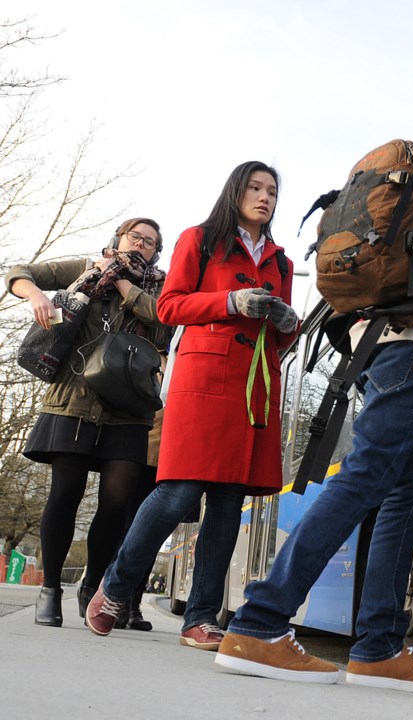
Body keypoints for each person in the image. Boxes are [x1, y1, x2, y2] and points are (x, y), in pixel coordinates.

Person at [213, 97, 413, 693]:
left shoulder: (410, 171)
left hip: (373, 337)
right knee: (368, 473)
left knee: (412, 488)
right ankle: (261, 622)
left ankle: (379, 646)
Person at [85, 161, 299, 651]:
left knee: (227, 502)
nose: (264, 197)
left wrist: (289, 321)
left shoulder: (282, 262)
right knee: (179, 492)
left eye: (272, 191)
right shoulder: (199, 239)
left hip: (254, 384)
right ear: (235, 191)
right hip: (204, 378)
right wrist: (230, 302)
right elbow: (170, 306)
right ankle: (114, 588)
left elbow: (282, 333)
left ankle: (200, 618)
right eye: (255, 187)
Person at [5, 218, 169, 627]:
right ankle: (51, 590)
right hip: (74, 397)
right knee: (65, 492)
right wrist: (38, 297)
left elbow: (163, 320)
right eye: (135, 237)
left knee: (116, 501)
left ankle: (92, 585)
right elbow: (18, 273)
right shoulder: (85, 266)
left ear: (156, 252)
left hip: (129, 406)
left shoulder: (161, 288)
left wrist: (121, 285)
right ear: (119, 239)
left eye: (150, 243)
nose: (141, 245)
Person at [113, 403, 165, 632]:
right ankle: (119, 600)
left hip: (166, 454)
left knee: (151, 535)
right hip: (137, 450)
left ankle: (133, 604)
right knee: (127, 529)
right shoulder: (150, 366)